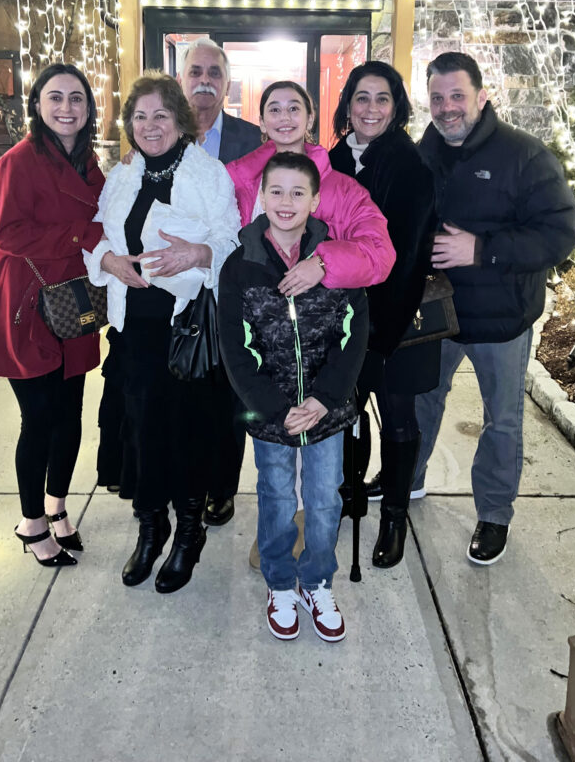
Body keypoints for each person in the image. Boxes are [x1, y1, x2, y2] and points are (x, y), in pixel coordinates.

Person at [413, 51, 575, 565]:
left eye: (457, 96)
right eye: (437, 98)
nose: (447, 108)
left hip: (501, 320)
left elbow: (559, 235)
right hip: (436, 314)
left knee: (502, 421)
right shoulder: (425, 151)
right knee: (421, 400)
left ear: (482, 97)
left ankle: (494, 513)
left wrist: (481, 249)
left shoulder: (526, 156)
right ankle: (406, 480)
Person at [83, 73, 241, 593]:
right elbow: (96, 237)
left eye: (161, 116)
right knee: (143, 433)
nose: (150, 126)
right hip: (135, 327)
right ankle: (151, 529)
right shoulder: (121, 176)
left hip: (186, 327)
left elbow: (231, 239)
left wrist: (198, 253)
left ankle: (189, 533)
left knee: (188, 433)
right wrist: (107, 259)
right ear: (130, 124)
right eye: (140, 117)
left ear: (180, 121)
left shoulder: (208, 173)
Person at [218, 152, 368, 641]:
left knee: (325, 500)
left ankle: (317, 579)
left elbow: (355, 335)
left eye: (298, 192)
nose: (286, 202)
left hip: (326, 411)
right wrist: (278, 410)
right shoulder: (239, 266)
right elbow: (235, 350)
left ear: (316, 200)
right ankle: (280, 581)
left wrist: (325, 398)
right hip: (271, 416)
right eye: (276, 191)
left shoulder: (335, 257)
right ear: (260, 196)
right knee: (277, 497)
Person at [0, 63, 105, 567]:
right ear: (37, 105)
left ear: (89, 107)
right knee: (39, 417)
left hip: (72, 299)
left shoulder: (90, 163)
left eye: (76, 98)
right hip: (27, 302)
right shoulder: (19, 160)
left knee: (70, 414)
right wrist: (82, 235)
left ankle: (57, 506)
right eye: (56, 97)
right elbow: (8, 234)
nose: (67, 107)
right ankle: (31, 523)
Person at [328, 61, 438, 568]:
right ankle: (349, 492)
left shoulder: (410, 165)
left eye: (382, 99)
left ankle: (394, 516)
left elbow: (411, 256)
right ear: (347, 104)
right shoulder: (330, 160)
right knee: (346, 412)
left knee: (396, 416)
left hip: (396, 319)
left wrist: (379, 335)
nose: (370, 109)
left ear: (396, 108)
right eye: (361, 98)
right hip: (340, 318)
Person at [176, 37, 261, 526]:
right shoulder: (160, 134)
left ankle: (222, 487)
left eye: (214, 73)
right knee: (184, 391)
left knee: (230, 396)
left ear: (227, 83)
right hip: (177, 289)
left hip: (234, 289)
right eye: (196, 72)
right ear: (182, 79)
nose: (204, 81)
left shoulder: (252, 141)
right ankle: (184, 477)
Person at [227, 81, 395, 291]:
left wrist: (324, 264)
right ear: (262, 122)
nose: (285, 117)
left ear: (310, 119)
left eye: (294, 108)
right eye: (275, 109)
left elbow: (380, 253)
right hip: (252, 311)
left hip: (318, 316)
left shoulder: (345, 191)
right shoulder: (237, 184)